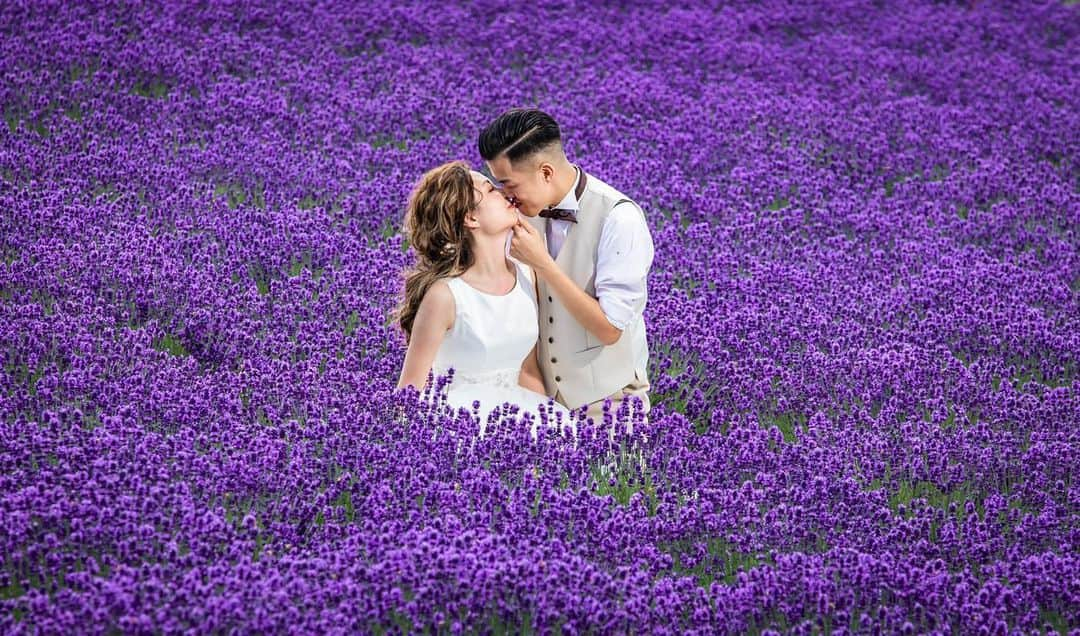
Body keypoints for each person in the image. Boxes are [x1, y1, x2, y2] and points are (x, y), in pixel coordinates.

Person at [479, 108, 654, 429]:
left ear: (546, 172)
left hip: (609, 403)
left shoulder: (619, 218)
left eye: (509, 184)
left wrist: (543, 264)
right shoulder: (515, 216)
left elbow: (609, 329)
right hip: (537, 404)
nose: (506, 196)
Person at [394, 160, 572, 438]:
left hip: (519, 417)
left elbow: (527, 370)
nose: (504, 192)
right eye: (490, 190)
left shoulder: (526, 275)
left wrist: (548, 423)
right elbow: (409, 392)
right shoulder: (445, 296)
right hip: (457, 424)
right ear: (471, 218)